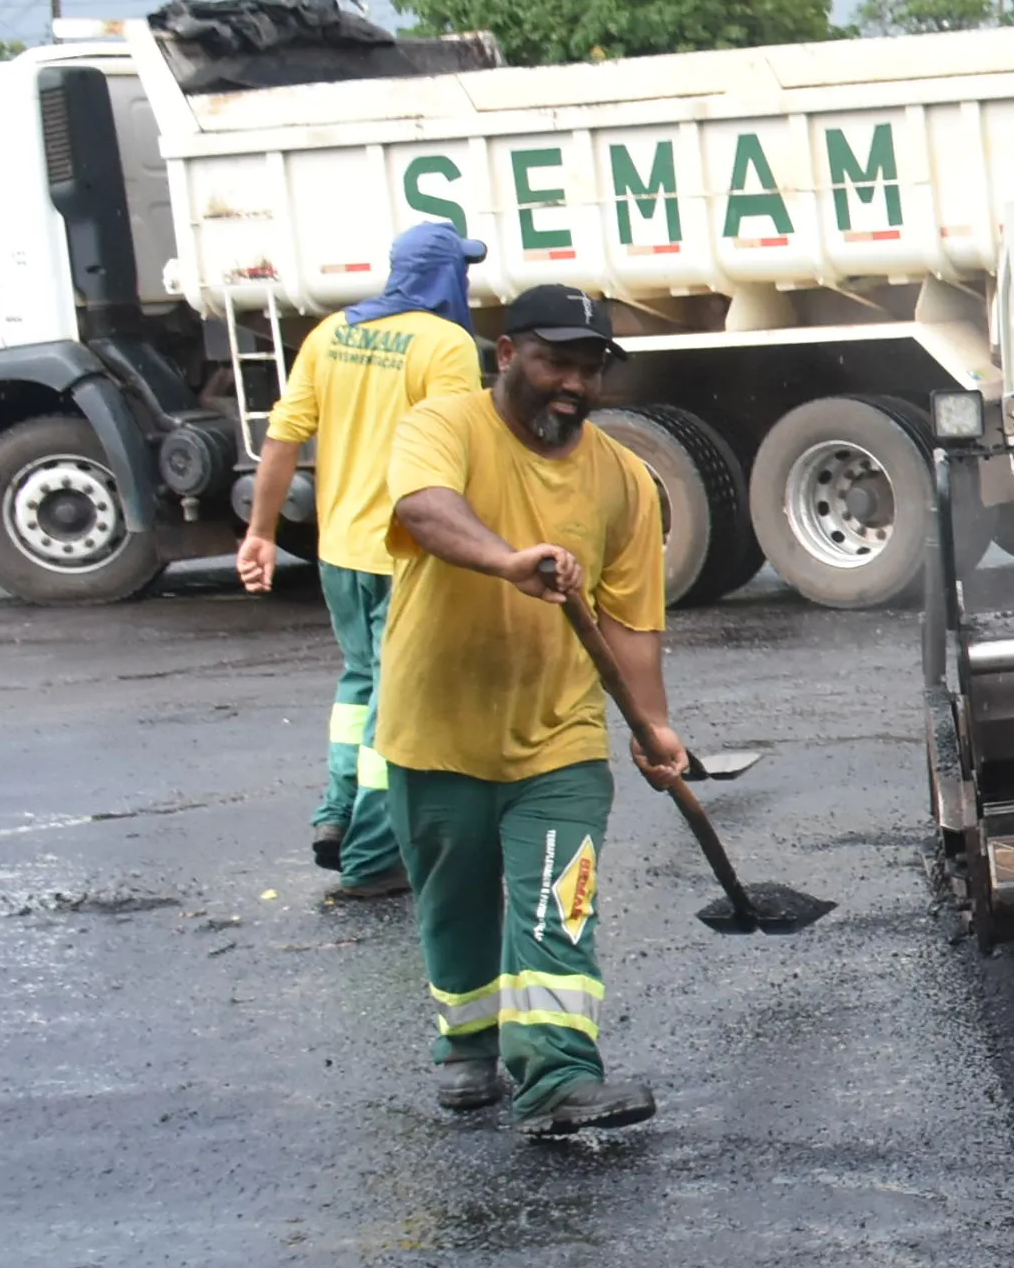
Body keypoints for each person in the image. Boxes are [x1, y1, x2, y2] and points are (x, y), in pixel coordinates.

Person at [379, 284, 687, 1135]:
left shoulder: (624, 480)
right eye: (558, 362)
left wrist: (653, 725)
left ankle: (558, 1076)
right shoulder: (443, 426)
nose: (576, 385)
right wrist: (506, 559)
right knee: (456, 901)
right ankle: (468, 1045)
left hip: (560, 738)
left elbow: (631, 616)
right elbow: (422, 508)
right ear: (507, 353)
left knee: (561, 898)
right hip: (435, 727)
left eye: (591, 369)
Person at [234, 219, 487, 900]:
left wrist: (260, 531)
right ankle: (374, 858)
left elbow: (283, 439)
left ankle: (337, 817)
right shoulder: (445, 344)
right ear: (444, 277)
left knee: (359, 688)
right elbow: (456, 457)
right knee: (395, 705)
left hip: (339, 550)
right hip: (405, 554)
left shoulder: (332, 333)